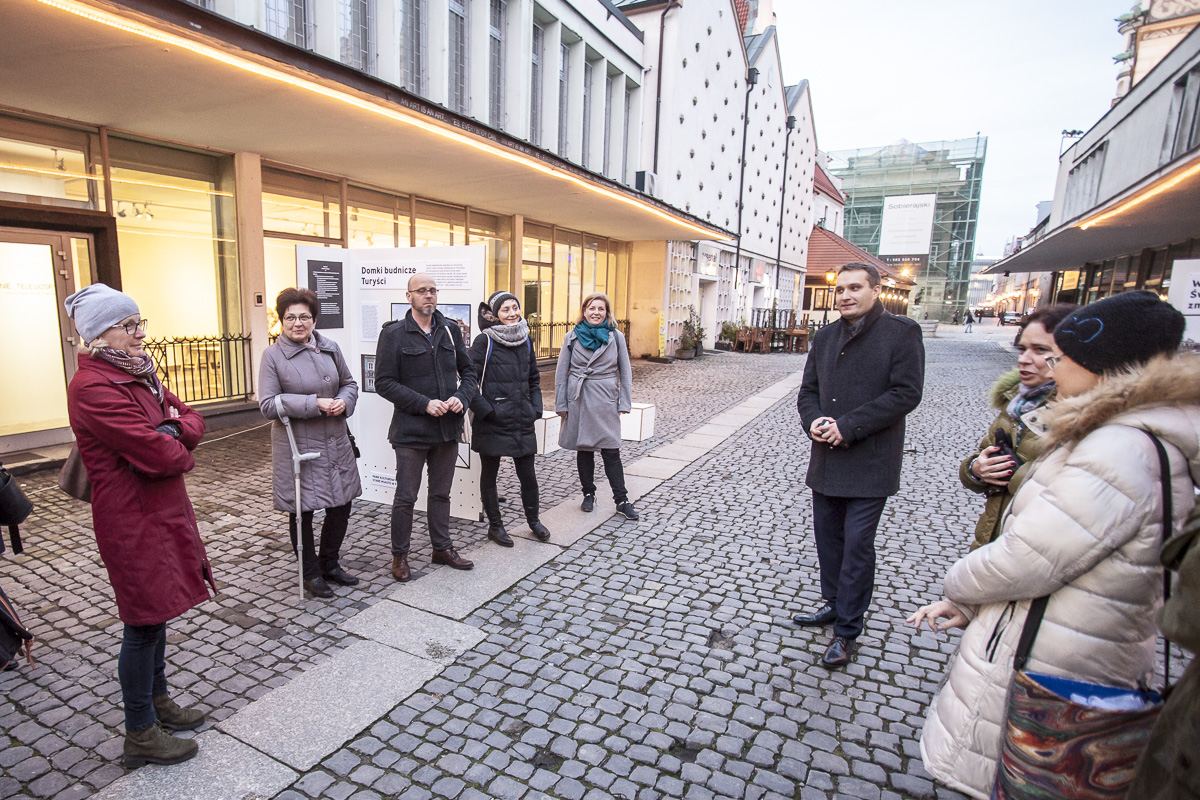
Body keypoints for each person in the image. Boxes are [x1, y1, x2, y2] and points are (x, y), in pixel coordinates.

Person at [910, 291, 1196, 800]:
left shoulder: (1119, 448)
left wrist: (959, 583)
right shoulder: (1120, 436)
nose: (1048, 368)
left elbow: (1029, 557)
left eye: (1058, 357)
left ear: (1099, 364)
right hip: (1060, 641)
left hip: (1056, 663)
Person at [63, 284, 214, 768]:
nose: (140, 333)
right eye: (129, 326)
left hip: (160, 510)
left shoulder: (140, 374)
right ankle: (140, 730)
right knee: (142, 621)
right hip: (131, 519)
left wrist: (172, 428)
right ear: (98, 335)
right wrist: (169, 436)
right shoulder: (92, 387)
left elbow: (192, 419)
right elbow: (163, 456)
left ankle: (160, 701)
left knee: (159, 612)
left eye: (139, 322)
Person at [794, 262, 925, 668]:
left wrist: (848, 426)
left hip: (870, 462)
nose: (845, 296)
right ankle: (833, 603)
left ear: (876, 290)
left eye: (854, 288)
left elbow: (906, 393)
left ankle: (848, 631)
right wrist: (813, 420)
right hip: (827, 461)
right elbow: (808, 391)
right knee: (828, 542)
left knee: (856, 547)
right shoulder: (827, 335)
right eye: (840, 290)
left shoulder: (902, 333)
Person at [259, 288, 362, 599]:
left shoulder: (330, 348)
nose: (297, 323)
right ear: (281, 321)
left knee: (341, 503)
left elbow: (349, 383)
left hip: (335, 440)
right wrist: (313, 403)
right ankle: (310, 572)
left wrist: (343, 402)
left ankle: (330, 562)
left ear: (314, 319)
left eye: (304, 316)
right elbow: (267, 404)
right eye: (290, 317)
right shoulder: (272, 356)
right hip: (299, 445)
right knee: (302, 509)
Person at [376, 273, 478, 582]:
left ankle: (441, 548)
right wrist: (423, 403)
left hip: (447, 429)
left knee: (441, 494)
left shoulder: (449, 330)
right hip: (411, 431)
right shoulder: (394, 334)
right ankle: (400, 556)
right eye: (422, 291)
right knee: (406, 496)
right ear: (409, 297)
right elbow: (384, 383)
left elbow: (469, 371)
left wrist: (462, 397)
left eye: (433, 290)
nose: (428, 296)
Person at [958, 304, 1076, 551]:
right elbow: (979, 459)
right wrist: (976, 468)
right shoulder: (1016, 404)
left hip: (1038, 549)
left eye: (1040, 350)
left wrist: (1013, 474)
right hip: (996, 538)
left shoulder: (1079, 413)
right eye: (1022, 349)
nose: (1024, 359)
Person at [468, 291, 550, 546]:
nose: (513, 313)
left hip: (521, 418)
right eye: (506, 309)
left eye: (515, 307)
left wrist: (535, 408)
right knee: (490, 475)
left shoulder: (526, 339)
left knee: (528, 474)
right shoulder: (485, 341)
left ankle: (533, 521)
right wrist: (486, 411)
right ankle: (495, 525)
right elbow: (467, 381)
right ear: (495, 315)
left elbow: (534, 379)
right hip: (492, 420)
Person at [555, 293, 638, 521]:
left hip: (605, 397)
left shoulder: (616, 336)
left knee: (611, 450)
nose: (596, 313)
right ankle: (588, 493)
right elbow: (562, 372)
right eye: (592, 308)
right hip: (579, 397)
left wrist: (624, 401)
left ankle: (621, 500)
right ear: (584, 311)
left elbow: (626, 370)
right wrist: (561, 403)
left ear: (607, 312)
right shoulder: (572, 337)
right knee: (585, 449)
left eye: (601, 309)